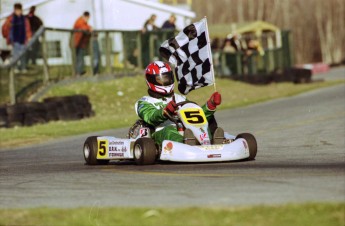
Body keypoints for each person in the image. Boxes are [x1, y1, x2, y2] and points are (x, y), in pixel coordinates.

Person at [134, 61, 224, 147]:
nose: (165, 81)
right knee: (169, 130)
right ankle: (186, 143)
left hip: (186, 130)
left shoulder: (180, 98)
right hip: (160, 132)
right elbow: (150, 117)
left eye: (167, 77)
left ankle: (212, 141)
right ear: (151, 80)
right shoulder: (144, 102)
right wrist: (165, 111)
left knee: (207, 121)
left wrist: (210, 105)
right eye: (160, 79)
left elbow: (195, 116)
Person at [2, 3, 32, 73]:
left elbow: (27, 29)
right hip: (14, 41)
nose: (18, 12)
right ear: (14, 10)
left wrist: (29, 37)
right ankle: (15, 68)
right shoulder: (10, 19)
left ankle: (23, 68)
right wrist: (7, 38)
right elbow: (5, 28)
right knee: (15, 55)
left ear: (21, 10)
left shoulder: (24, 19)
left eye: (19, 10)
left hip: (23, 40)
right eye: (17, 10)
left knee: (23, 54)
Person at [73, 11, 92, 76]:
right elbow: (84, 28)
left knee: (80, 57)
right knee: (78, 58)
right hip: (76, 43)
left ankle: (80, 71)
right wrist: (89, 28)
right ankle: (78, 72)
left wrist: (89, 28)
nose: (88, 19)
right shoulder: (80, 21)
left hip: (80, 43)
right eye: (87, 18)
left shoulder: (84, 23)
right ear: (85, 16)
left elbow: (87, 27)